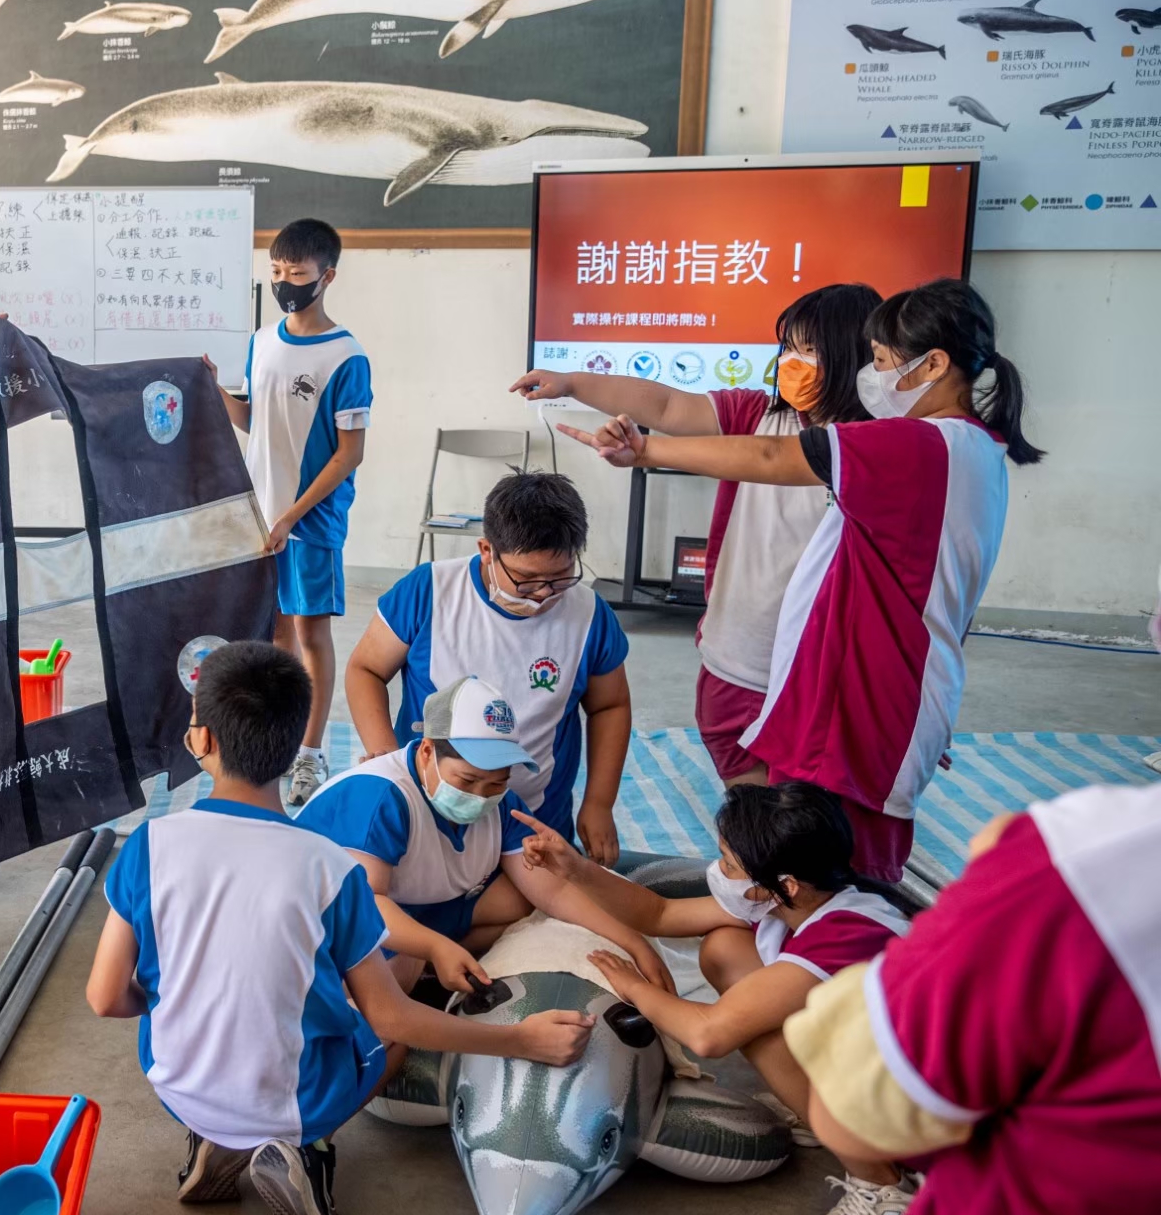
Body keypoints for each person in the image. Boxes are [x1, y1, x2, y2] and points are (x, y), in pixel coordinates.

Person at [86, 642, 595, 1215]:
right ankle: (308, 1152)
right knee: (395, 1036)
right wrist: (519, 1039)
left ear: (202, 742)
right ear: (297, 736)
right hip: (291, 1105)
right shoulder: (330, 870)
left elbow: (105, 997)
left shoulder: (148, 844)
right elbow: (391, 1015)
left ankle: (214, 1136)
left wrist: (185, 992)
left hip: (175, 1083)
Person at [562, 279, 1043, 883]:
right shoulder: (974, 448)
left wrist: (648, 453)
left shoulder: (915, 444)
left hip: (864, 698)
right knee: (796, 844)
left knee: (831, 867)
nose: (877, 374)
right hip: (860, 683)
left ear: (936, 364)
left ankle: (834, 960)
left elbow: (770, 460)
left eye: (886, 362)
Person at [515, 783, 915, 1215]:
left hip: (927, 1111)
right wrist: (576, 869)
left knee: (749, 1027)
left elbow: (708, 1037)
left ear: (783, 885)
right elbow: (658, 913)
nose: (718, 871)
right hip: (881, 1068)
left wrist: (634, 988)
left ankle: (886, 1185)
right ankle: (825, 1110)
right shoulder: (797, 899)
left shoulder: (846, 934)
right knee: (725, 950)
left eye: (729, 863)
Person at [511, 283, 879, 784]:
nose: (793, 362)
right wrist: (573, 383)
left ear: (857, 355)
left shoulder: (875, 445)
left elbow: (774, 460)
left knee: (804, 820)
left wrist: (644, 452)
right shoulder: (757, 416)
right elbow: (664, 406)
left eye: (810, 350)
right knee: (751, 818)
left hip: (816, 671)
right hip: (736, 654)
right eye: (788, 348)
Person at [786, 783, 1161, 1215]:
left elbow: (851, 1111)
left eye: (730, 864)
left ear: (787, 885)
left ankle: (885, 1194)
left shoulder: (1087, 861)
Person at [293, 675, 672, 997]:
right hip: (321, 925)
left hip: (412, 903)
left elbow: (552, 891)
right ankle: (406, 982)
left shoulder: (503, 804)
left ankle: (431, 964)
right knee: (401, 962)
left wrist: (632, 941)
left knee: (517, 899)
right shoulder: (381, 797)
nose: (480, 795)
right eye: (467, 780)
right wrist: (433, 946)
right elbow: (368, 905)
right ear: (427, 751)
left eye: (496, 782)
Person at [346, 471, 632, 866]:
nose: (545, 594)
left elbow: (610, 706)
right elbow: (366, 669)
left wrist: (599, 803)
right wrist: (384, 755)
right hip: (429, 803)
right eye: (527, 580)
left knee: (533, 910)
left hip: (532, 816)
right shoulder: (431, 591)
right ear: (486, 549)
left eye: (561, 578)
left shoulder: (589, 616)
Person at [205, 218, 371, 808]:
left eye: (297, 274)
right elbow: (253, 421)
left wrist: (292, 516)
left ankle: (310, 752)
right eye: (276, 272)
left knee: (310, 633)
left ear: (327, 276)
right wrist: (216, 392)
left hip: (310, 524)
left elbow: (350, 453)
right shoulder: (263, 339)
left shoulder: (347, 357)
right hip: (259, 516)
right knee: (272, 634)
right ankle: (273, 745)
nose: (285, 283)